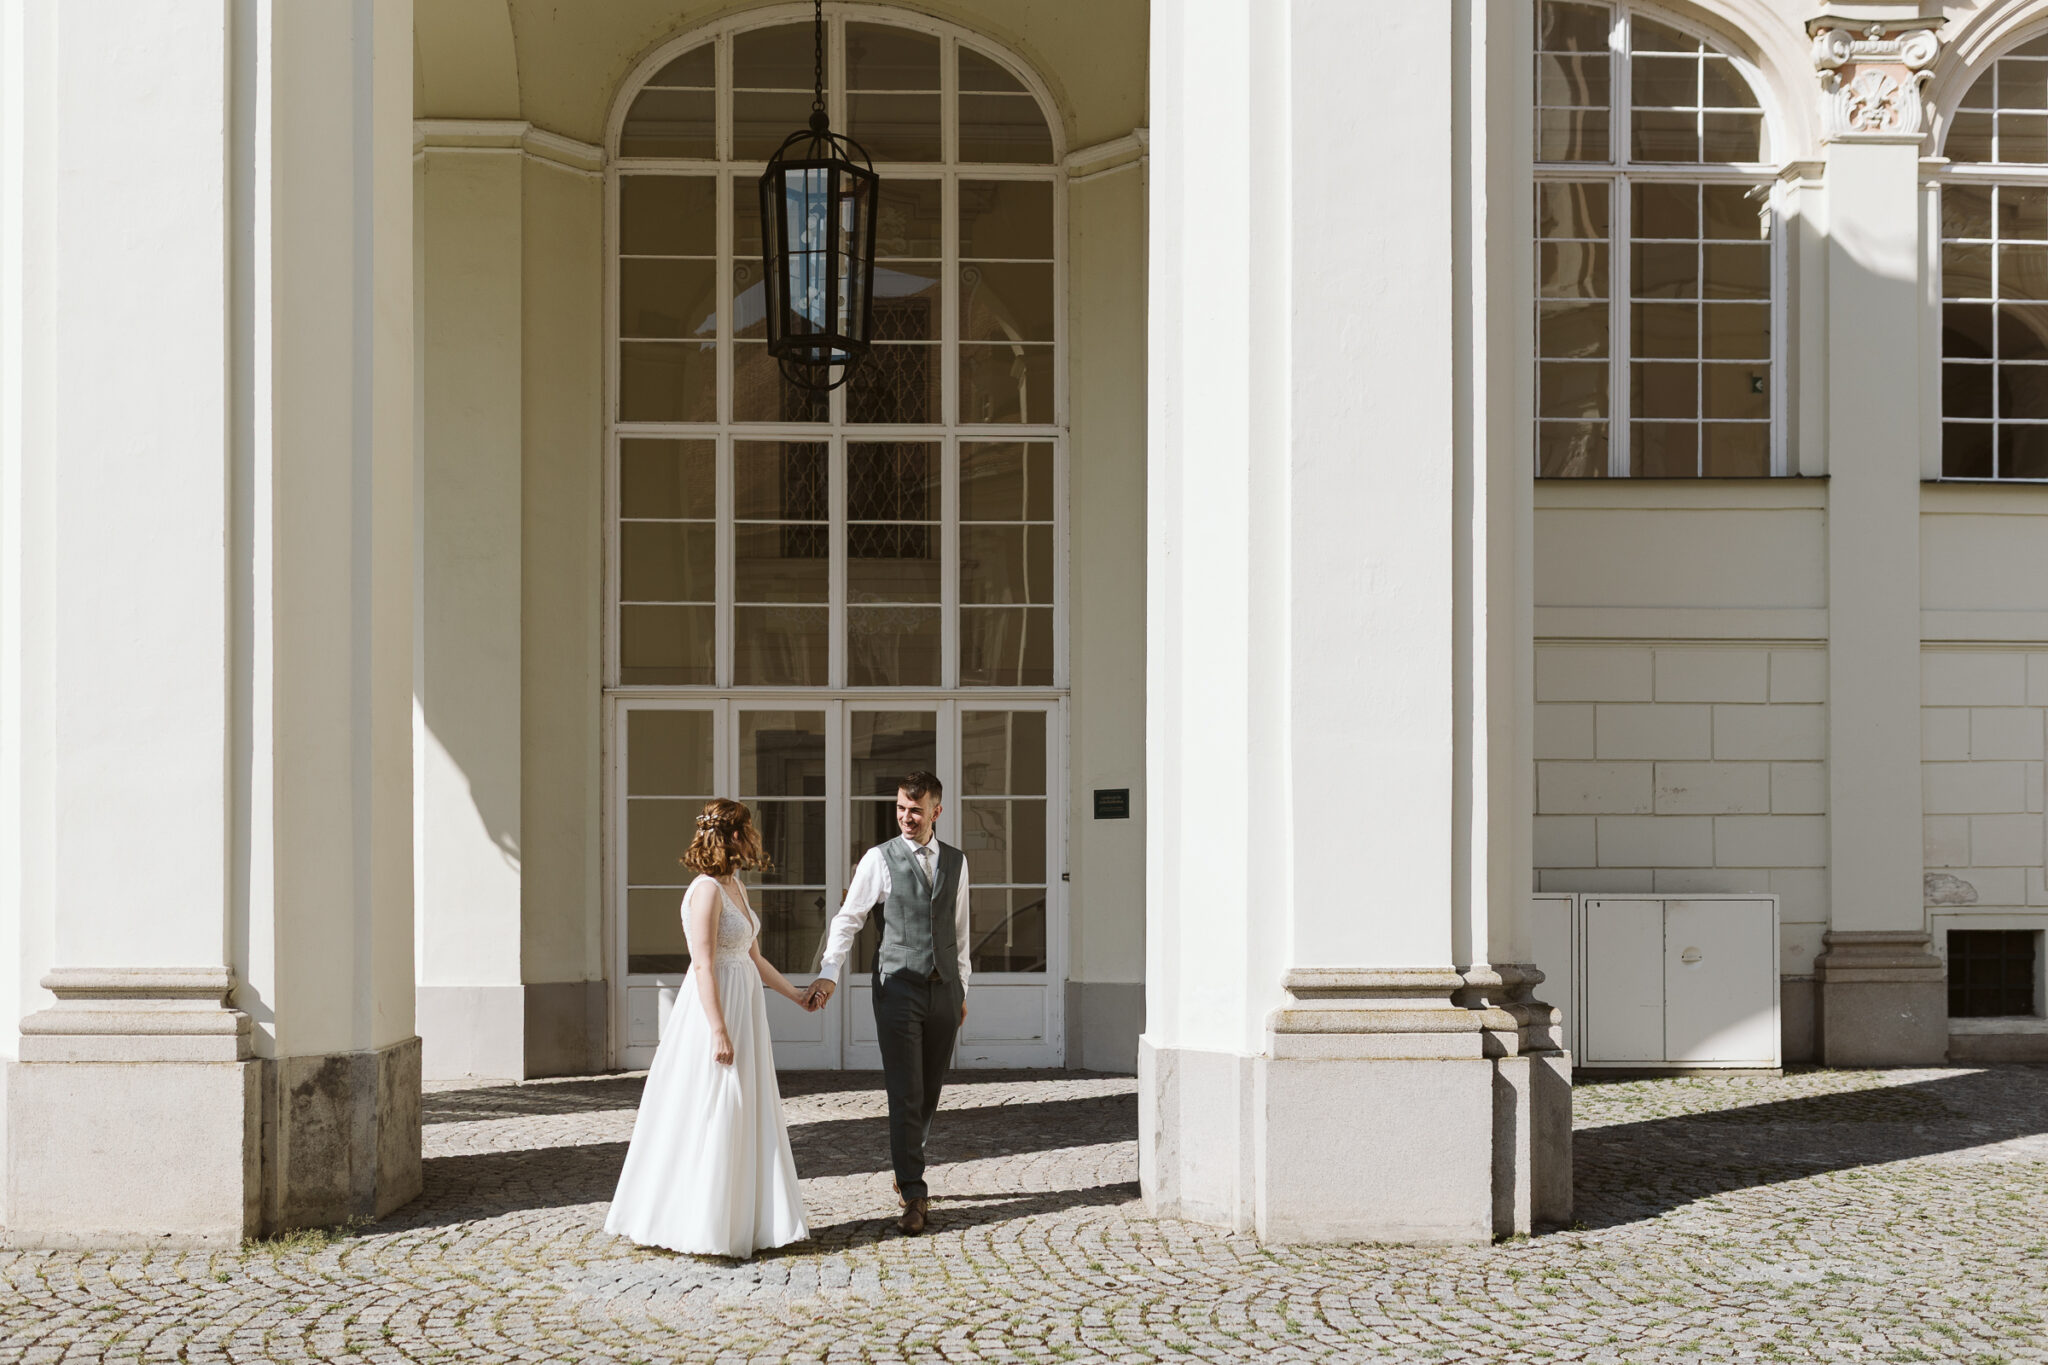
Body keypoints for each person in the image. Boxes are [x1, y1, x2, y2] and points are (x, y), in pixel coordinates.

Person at [605, 798, 816, 1258]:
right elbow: (703, 965)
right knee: (716, 1104)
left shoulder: (735, 884)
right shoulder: (705, 890)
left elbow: (754, 958)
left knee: (745, 1108)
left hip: (746, 1002)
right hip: (715, 1008)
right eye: (749, 829)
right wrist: (718, 1030)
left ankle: (748, 1219)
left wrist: (796, 995)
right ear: (734, 835)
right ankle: (703, 1223)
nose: (755, 836)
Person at [802, 770, 969, 1235]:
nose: (906, 818)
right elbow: (849, 918)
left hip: (944, 990)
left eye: (915, 810)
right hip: (897, 986)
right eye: (900, 808)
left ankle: (907, 1166)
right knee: (905, 1090)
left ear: (937, 811)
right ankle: (914, 1191)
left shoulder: (957, 861)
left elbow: (960, 933)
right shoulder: (879, 859)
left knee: (930, 1090)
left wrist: (963, 990)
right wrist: (829, 972)